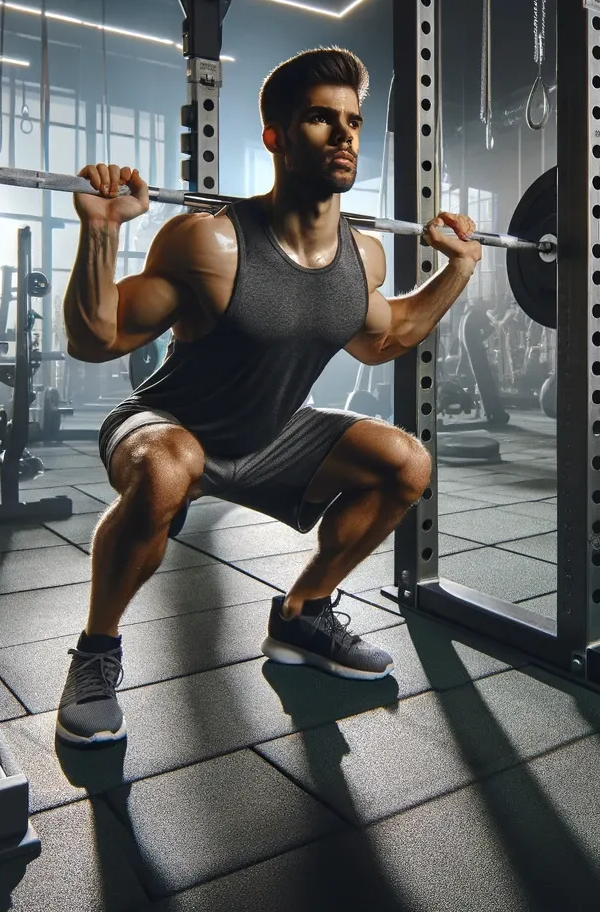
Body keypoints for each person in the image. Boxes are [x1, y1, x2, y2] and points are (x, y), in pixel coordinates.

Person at [54, 47, 481, 745]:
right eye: (320, 118)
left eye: (352, 121)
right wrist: (100, 232)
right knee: (168, 468)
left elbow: (388, 335)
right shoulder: (209, 241)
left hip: (271, 434)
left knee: (407, 463)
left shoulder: (362, 256)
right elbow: (96, 339)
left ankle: (303, 617)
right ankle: (96, 651)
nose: (343, 135)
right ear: (276, 137)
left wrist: (458, 269)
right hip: (165, 425)